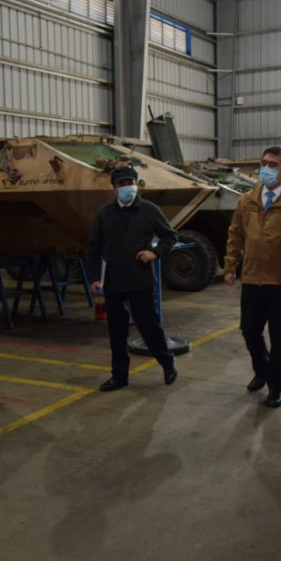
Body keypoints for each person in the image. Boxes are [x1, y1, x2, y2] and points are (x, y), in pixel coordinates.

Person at [223, 146, 281, 408]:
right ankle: (262, 370)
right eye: (264, 163)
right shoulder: (247, 200)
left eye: (273, 165)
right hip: (252, 279)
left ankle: (276, 385)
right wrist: (231, 265)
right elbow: (235, 235)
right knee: (249, 331)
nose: (266, 168)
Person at [88, 163, 179, 392]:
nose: (127, 187)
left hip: (140, 280)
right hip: (113, 282)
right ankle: (119, 376)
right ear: (114, 189)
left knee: (149, 327)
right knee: (116, 332)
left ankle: (167, 364)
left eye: (130, 183)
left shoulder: (149, 210)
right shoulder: (104, 213)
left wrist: (154, 253)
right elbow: (93, 248)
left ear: (136, 184)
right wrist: (94, 277)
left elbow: (170, 236)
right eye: (122, 184)